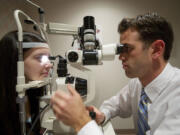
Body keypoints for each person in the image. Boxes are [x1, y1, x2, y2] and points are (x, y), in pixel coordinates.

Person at [51, 12, 180, 135]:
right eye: (120, 50)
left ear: (156, 49)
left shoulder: (177, 92)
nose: (121, 57)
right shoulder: (137, 84)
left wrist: (82, 122)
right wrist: (102, 114)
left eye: (127, 49)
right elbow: (113, 105)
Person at [0, 31, 52, 135]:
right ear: (15, 60)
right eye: (40, 58)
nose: (49, 65)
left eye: (48, 58)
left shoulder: (31, 92)